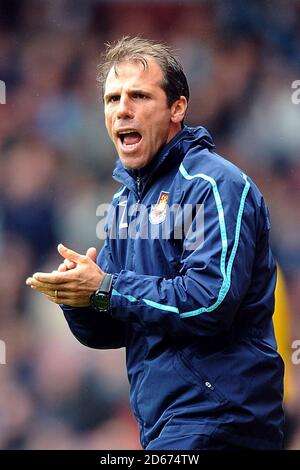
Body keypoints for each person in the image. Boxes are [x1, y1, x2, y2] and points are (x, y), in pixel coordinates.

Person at [26, 36, 284, 450]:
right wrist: (80, 300)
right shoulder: (126, 203)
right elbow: (120, 324)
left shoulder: (215, 185)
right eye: (112, 99)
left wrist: (106, 289)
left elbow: (209, 303)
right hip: (165, 425)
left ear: (177, 107)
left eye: (139, 96)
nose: (122, 109)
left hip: (222, 421)